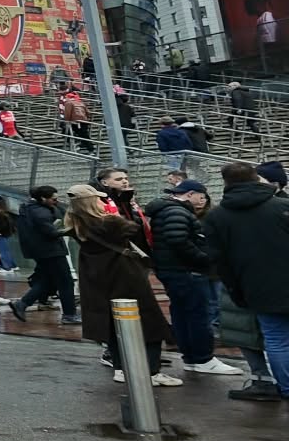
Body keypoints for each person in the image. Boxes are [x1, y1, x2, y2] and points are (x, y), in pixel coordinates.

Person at [64, 185, 180, 388]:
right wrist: (123, 206)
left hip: (97, 278)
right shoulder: (110, 223)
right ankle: (152, 371)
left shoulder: (77, 224)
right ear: (92, 202)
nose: (103, 202)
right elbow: (136, 231)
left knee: (113, 325)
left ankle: (120, 368)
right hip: (125, 276)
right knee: (150, 324)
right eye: (99, 199)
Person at [203, 162, 289, 398]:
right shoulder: (282, 206)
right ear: (256, 178)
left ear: (225, 182)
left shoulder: (217, 216)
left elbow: (220, 260)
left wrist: (236, 290)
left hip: (257, 287)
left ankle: (286, 387)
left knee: (277, 340)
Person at [147, 180, 237, 377]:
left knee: (183, 314)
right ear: (190, 194)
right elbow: (178, 240)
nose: (203, 200)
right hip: (186, 271)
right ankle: (203, 358)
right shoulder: (177, 211)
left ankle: (192, 357)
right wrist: (203, 258)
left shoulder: (167, 210)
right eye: (201, 196)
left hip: (174, 270)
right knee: (197, 315)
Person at [9, 186, 80, 325]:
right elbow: (51, 232)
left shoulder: (30, 209)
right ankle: (69, 314)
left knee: (48, 280)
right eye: (54, 199)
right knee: (65, 282)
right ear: (43, 198)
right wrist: (69, 231)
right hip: (51, 251)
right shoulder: (41, 212)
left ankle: (22, 304)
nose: (56, 201)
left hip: (41, 251)